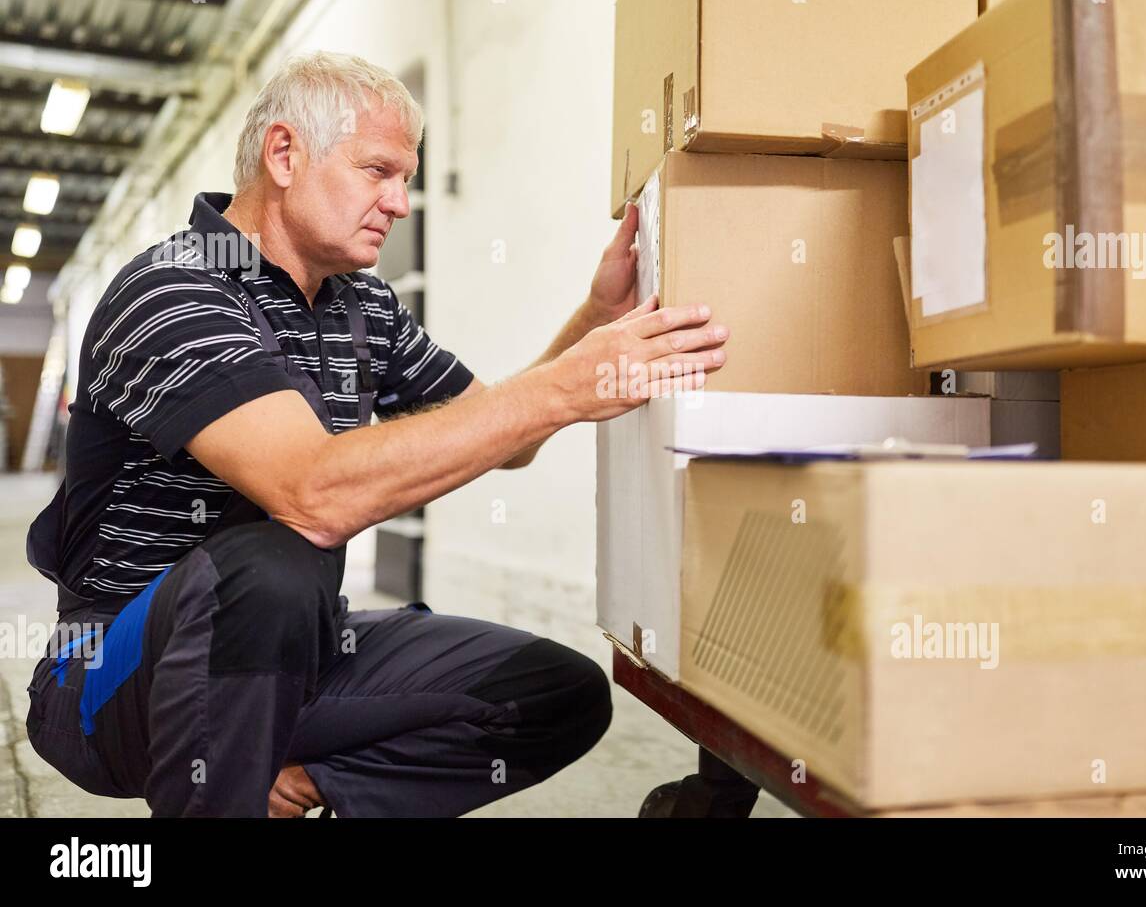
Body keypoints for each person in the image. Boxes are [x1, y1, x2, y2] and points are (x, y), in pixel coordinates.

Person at [24, 51, 729, 817]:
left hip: (295, 647)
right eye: (377, 171)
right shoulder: (175, 288)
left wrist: (596, 322)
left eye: (408, 179)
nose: (399, 202)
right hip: (107, 676)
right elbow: (311, 493)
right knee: (274, 562)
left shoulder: (363, 304)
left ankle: (287, 785)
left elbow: (506, 433)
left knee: (556, 692)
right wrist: (563, 388)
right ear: (286, 154)